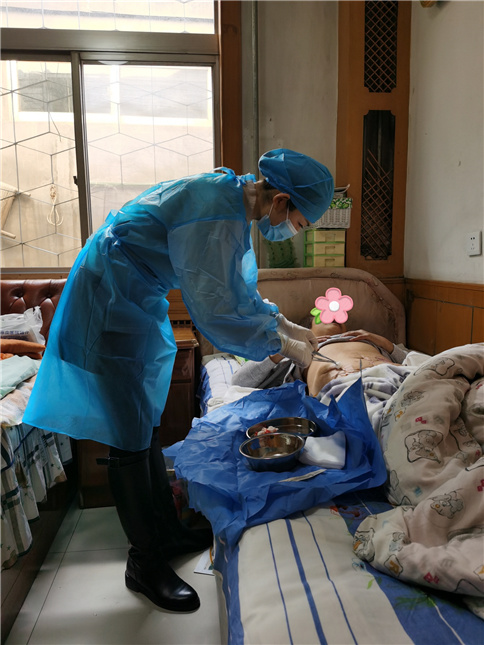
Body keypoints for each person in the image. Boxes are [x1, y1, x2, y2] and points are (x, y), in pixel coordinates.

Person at [23, 149, 334, 612]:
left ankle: (165, 533)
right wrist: (282, 345)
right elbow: (217, 310)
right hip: (107, 300)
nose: (294, 231)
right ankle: (143, 563)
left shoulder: (231, 202)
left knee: (143, 425)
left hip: (133, 296)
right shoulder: (215, 209)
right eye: (300, 222)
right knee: (127, 436)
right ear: (281, 200)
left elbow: (237, 291)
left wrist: (286, 325)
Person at [232, 315, 409, 397]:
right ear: (306, 329)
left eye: (340, 317)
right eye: (323, 315)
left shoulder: (370, 341)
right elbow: (239, 382)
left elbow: (416, 362)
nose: (334, 317)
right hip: (347, 390)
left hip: (400, 379)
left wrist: (386, 344)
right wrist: (283, 348)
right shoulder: (297, 352)